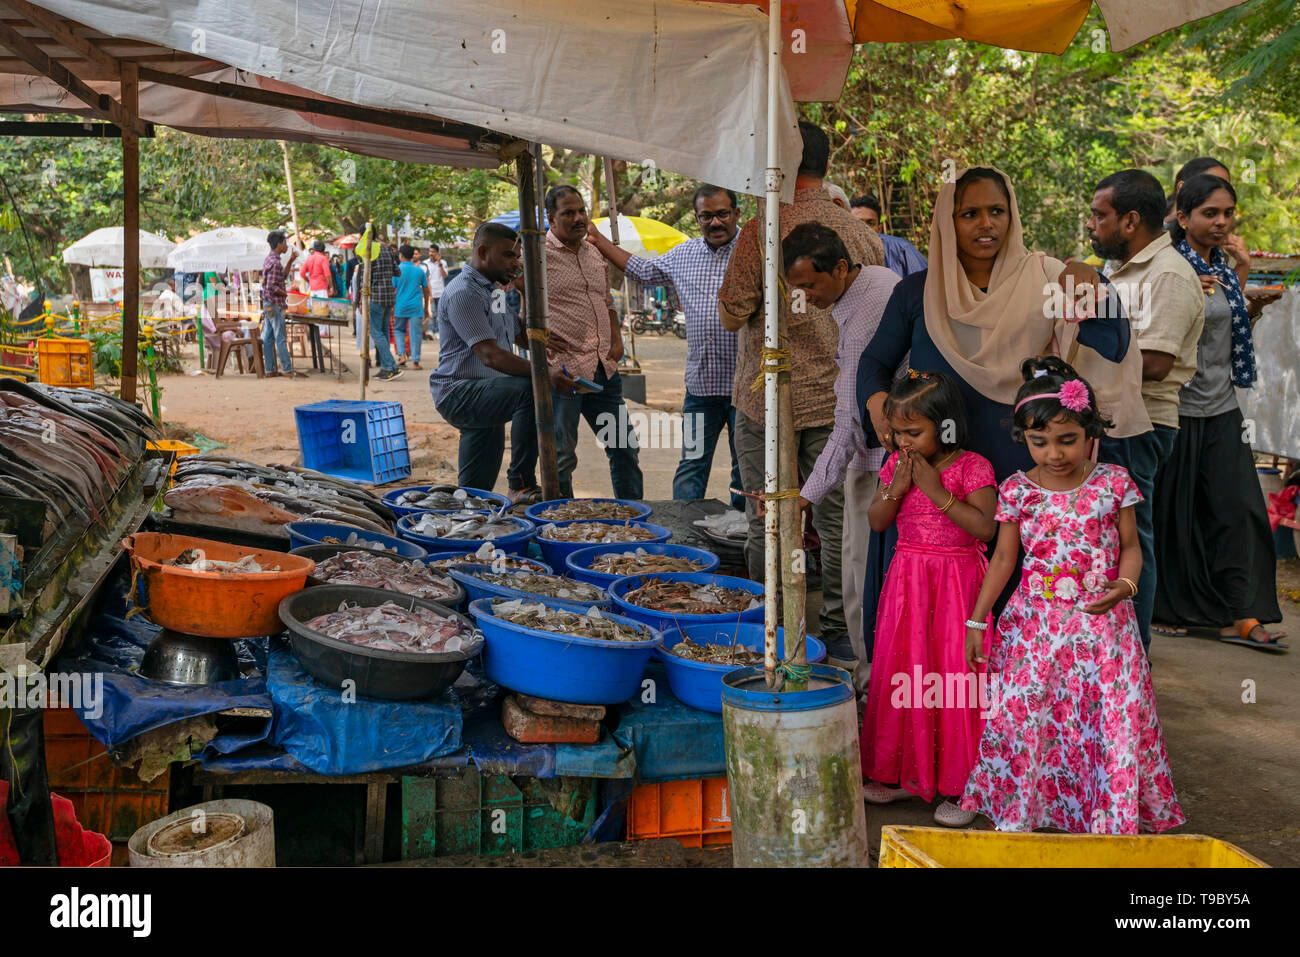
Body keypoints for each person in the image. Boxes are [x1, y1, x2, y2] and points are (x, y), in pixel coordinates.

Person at [856, 167, 1139, 657]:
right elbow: (874, 362)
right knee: (926, 599)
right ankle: (934, 713)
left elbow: (1110, 342)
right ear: (948, 222)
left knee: (1015, 582)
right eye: (969, 213)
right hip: (938, 469)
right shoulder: (917, 292)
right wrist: (876, 400)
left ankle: (1014, 701)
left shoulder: (1047, 280)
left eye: (997, 211)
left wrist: (1093, 284)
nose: (985, 224)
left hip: (1016, 463)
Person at [959, 358, 1185, 834]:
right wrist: (978, 621)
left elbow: (1130, 548)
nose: (1055, 453)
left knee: (1104, 721)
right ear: (1024, 438)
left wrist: (1124, 587)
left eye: (1068, 440)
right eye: (1040, 442)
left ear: (1091, 435)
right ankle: (1031, 810)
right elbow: (1003, 560)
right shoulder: (1017, 491)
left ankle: (1104, 816)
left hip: (1103, 630)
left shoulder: (1112, 484)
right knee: (1031, 718)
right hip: (1036, 630)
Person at [718, 120, 885, 650]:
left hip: (768, 402)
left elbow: (730, 312)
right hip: (841, 400)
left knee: (765, 518)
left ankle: (767, 630)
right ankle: (838, 635)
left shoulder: (760, 230)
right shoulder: (859, 232)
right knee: (836, 526)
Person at [1152, 174, 1286, 650]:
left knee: (1240, 511)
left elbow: (1223, 332)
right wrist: (1190, 290)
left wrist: (1244, 279)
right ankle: (1168, 608)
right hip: (1180, 408)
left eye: (1228, 213)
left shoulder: (1224, 268)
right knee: (1176, 514)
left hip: (1223, 405)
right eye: (1210, 213)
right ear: (1183, 217)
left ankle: (1242, 612)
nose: (1222, 222)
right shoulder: (1169, 269)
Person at [860, 371, 997, 826]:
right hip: (908, 583)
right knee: (907, 671)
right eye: (897, 433)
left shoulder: (973, 466)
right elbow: (877, 521)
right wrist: (895, 489)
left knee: (955, 677)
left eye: (913, 432)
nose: (904, 442)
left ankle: (967, 785)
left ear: (947, 425)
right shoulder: (896, 465)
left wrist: (936, 492)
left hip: (957, 586)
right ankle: (906, 773)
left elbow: (985, 529)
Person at [1085, 169, 1205, 652]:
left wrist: (1080, 361)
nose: (1091, 225)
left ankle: (1133, 657)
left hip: (1141, 424)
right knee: (1108, 539)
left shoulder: (1168, 275)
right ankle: (1108, 652)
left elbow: (1154, 363)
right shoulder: (1122, 270)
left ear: (1131, 219)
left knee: (1132, 539)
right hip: (1112, 420)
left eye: (1100, 215)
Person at [783, 222, 899, 688]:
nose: (805, 296)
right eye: (798, 288)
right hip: (880, 456)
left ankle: (872, 684)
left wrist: (804, 499)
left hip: (878, 462)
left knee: (859, 576)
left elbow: (849, 424)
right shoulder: (872, 281)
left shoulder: (864, 316)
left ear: (841, 268)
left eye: (811, 285)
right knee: (862, 573)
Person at [586, 184, 744, 509]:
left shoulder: (757, 252)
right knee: (692, 467)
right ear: (697, 218)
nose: (715, 222)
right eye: (706, 216)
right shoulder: (684, 254)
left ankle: (744, 542)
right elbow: (641, 270)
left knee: (746, 474)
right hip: (703, 388)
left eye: (722, 214)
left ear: (737, 213)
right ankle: (684, 537)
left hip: (748, 391)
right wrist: (598, 240)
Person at [431, 223, 570, 502]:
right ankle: (521, 483)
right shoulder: (464, 292)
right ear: (483, 252)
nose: (515, 262)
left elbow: (515, 331)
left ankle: (466, 516)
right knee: (532, 389)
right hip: (460, 392)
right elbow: (490, 355)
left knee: (473, 495)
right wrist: (545, 374)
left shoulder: (492, 291)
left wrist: (540, 338)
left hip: (487, 391)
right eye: (508, 255)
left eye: (517, 256)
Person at [543, 184, 643, 499]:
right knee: (562, 456)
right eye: (567, 213)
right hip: (564, 374)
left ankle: (634, 518)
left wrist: (617, 342)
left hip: (604, 370)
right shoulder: (536, 258)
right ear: (550, 218)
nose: (578, 218)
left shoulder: (595, 251)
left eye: (581, 211)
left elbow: (607, 301)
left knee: (624, 449)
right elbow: (514, 313)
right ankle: (560, 523)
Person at [850, 194, 928, 278]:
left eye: (870, 223)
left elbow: (926, 283)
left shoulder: (902, 249)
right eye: (858, 223)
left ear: (879, 229)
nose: (864, 229)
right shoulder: (839, 254)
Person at [260, 231, 299, 378]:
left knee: (269, 337)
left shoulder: (271, 259)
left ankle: (270, 369)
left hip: (268, 303)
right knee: (280, 337)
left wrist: (290, 260)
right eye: (284, 242)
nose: (286, 245)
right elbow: (271, 286)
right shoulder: (275, 262)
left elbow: (282, 276)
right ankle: (287, 369)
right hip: (274, 303)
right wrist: (285, 293)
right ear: (279, 244)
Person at [367, 240, 402, 381]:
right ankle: (388, 368)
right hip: (389, 298)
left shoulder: (366, 249)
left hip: (376, 297)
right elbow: (397, 272)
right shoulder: (386, 250)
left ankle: (389, 365)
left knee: (376, 332)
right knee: (383, 333)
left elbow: (365, 277)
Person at [392, 244, 429, 370]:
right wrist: (426, 307)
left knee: (399, 330)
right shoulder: (419, 270)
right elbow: (426, 290)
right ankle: (416, 362)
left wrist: (392, 306)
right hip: (416, 307)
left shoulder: (396, 270)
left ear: (401, 255)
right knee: (416, 334)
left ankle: (402, 355)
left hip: (400, 306)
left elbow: (392, 289)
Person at [423, 244, 449, 336]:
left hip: (441, 292)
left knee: (440, 313)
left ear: (437, 253)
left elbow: (445, 276)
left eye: (433, 252)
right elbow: (424, 279)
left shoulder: (443, 262)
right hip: (430, 292)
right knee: (431, 313)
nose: (431, 253)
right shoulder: (425, 263)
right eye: (430, 251)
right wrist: (428, 294)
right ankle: (430, 330)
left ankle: (438, 331)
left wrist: (440, 264)